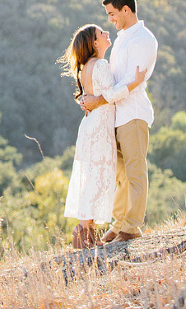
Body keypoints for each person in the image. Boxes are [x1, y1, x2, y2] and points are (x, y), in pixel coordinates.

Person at [80, 0, 158, 243]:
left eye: (112, 13)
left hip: (133, 114)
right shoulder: (123, 38)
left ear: (126, 10)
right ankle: (119, 223)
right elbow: (114, 83)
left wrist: (98, 100)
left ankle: (132, 226)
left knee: (135, 171)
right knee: (122, 174)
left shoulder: (143, 40)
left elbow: (129, 83)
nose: (110, 19)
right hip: (116, 116)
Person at [59, 23, 147, 247]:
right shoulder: (100, 65)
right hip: (100, 127)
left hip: (90, 125)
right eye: (101, 33)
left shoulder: (85, 66)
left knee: (92, 177)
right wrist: (134, 83)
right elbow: (110, 95)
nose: (106, 33)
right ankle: (86, 231)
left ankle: (85, 230)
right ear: (95, 43)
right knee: (98, 177)